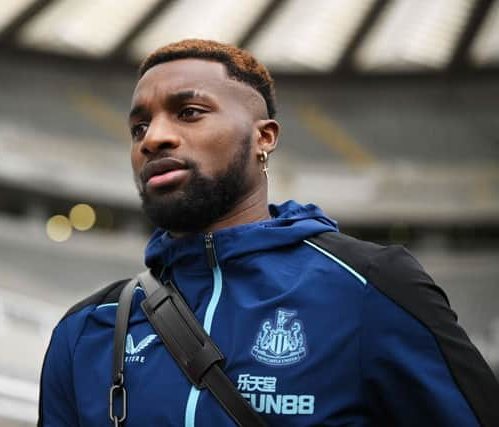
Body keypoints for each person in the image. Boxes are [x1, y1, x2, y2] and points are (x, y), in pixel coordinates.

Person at [38, 39, 499, 427]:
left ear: (265, 137)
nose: (153, 137)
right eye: (139, 126)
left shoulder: (373, 287)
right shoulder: (86, 330)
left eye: (190, 112)